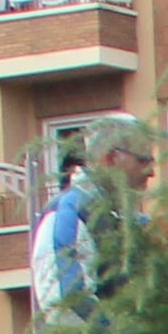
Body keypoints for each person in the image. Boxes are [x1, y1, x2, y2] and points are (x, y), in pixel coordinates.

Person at [37, 123, 152, 320]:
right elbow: (68, 304)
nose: (151, 172)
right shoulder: (68, 213)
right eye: (143, 160)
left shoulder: (132, 220)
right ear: (110, 158)